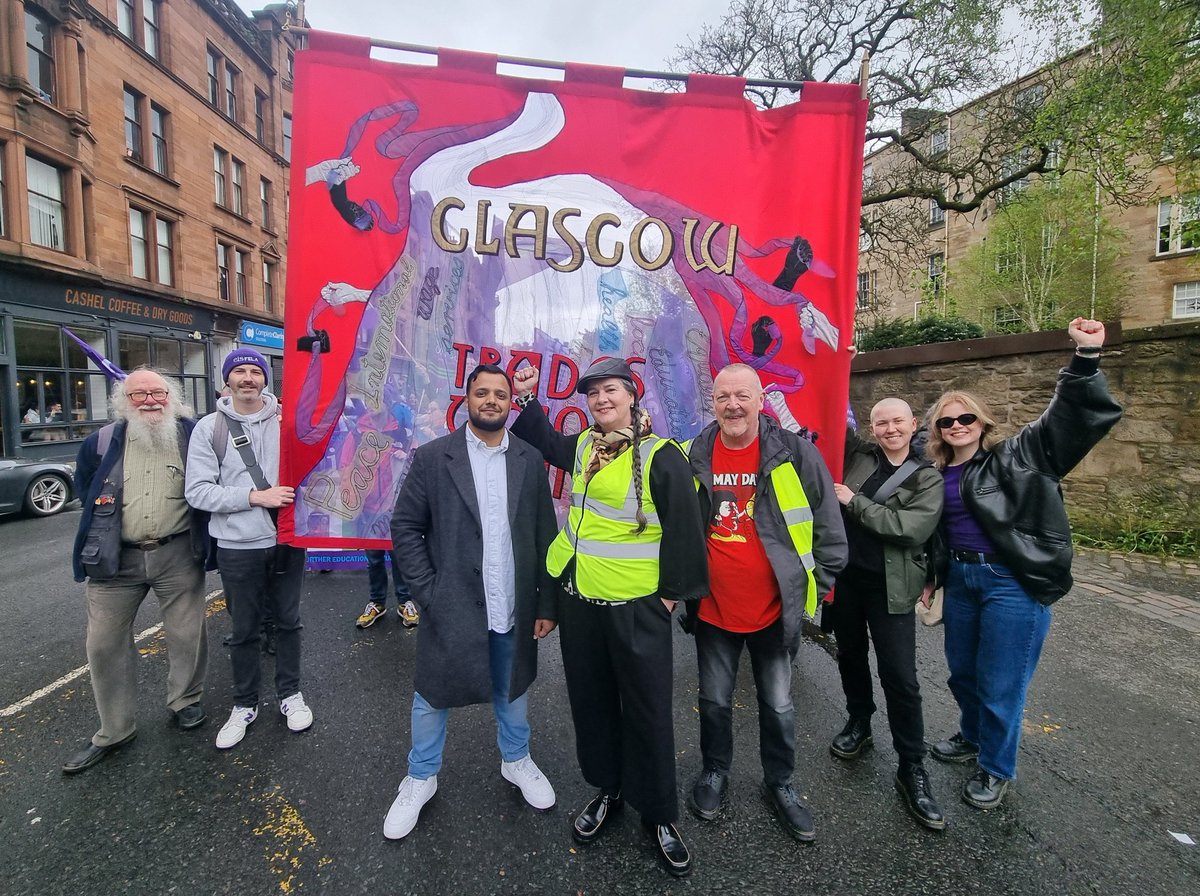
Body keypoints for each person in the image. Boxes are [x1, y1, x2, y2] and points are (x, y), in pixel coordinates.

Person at [511, 357, 707, 879]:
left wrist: (668, 599)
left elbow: (687, 532)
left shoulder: (661, 456)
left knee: (647, 712)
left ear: (632, 395)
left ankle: (660, 815)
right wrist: (528, 399)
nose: (600, 400)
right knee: (592, 706)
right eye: (593, 393)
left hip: (637, 611)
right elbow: (547, 441)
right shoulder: (582, 446)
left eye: (611, 391)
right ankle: (608, 791)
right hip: (582, 604)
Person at [926, 318, 1122, 809]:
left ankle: (995, 767)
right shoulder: (938, 472)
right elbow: (935, 532)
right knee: (962, 673)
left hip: (1009, 582)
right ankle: (973, 738)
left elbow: (1066, 420)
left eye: (964, 419)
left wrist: (1086, 358)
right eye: (946, 422)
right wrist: (935, 577)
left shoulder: (1019, 456)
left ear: (982, 423)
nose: (956, 428)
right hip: (962, 579)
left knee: (1001, 682)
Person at [383, 365, 559, 840]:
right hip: (453, 602)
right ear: (467, 398)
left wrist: (547, 604)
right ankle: (420, 778)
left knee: (512, 689)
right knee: (432, 695)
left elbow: (547, 536)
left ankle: (516, 761)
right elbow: (405, 528)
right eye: (482, 392)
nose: (491, 400)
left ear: (509, 402)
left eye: (500, 394)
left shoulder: (529, 458)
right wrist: (428, 591)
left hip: (512, 603)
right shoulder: (433, 457)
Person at [683, 363, 847, 842]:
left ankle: (781, 783)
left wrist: (821, 581)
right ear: (712, 402)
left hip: (775, 610)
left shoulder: (795, 453)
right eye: (723, 396)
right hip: (713, 610)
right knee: (713, 700)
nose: (732, 405)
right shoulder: (695, 452)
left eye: (742, 396)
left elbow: (827, 521)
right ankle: (715, 771)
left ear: (759, 401)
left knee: (778, 706)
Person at [62, 368, 212, 774]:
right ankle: (114, 729)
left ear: (173, 397)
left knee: (186, 633)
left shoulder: (193, 434)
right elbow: (87, 488)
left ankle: (185, 700)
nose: (150, 400)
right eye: (139, 394)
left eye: (158, 393)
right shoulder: (101, 442)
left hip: (178, 551)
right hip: (115, 558)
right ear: (123, 401)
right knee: (103, 644)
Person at [185, 349, 314, 750]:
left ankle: (290, 695)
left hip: (287, 540)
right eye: (238, 371)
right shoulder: (209, 429)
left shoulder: (287, 423)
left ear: (265, 379)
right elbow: (198, 491)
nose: (247, 378)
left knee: (288, 622)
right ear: (227, 380)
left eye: (254, 371)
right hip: (238, 545)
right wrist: (255, 498)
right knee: (243, 630)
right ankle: (244, 704)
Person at [831, 397, 945, 830]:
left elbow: (910, 529)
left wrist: (854, 502)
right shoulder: (859, 455)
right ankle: (859, 719)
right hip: (847, 580)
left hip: (891, 587)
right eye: (881, 422)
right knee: (850, 655)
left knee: (900, 675)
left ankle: (911, 765)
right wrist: (841, 363)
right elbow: (825, 415)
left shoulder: (926, 476)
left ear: (913, 423)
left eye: (898, 421)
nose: (889, 429)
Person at [358, 549, 419, 628]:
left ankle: (405, 602)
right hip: (374, 536)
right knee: (374, 561)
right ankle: (377, 603)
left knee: (400, 559)